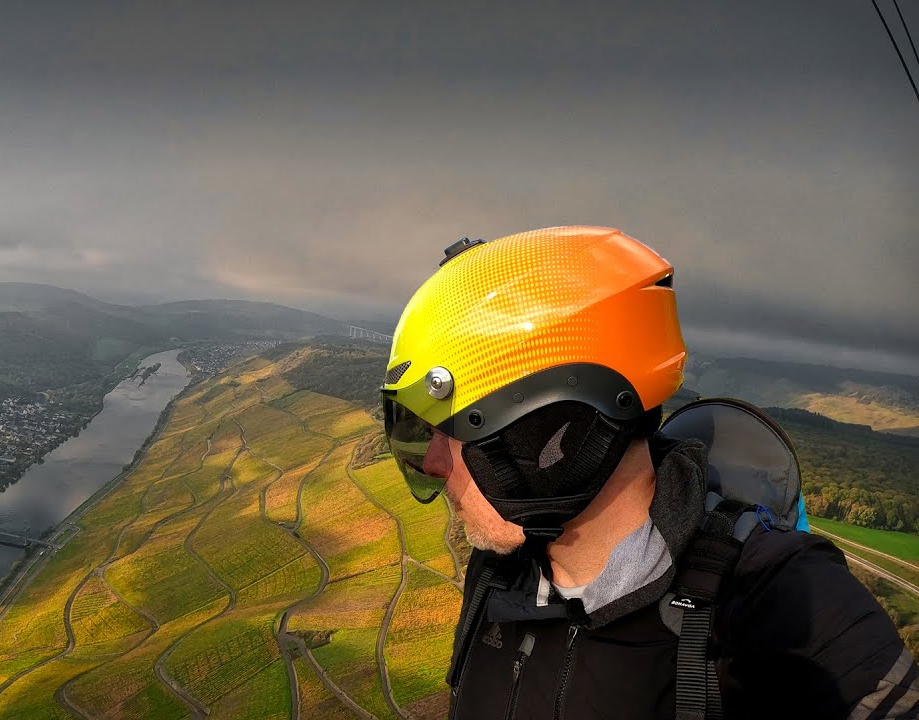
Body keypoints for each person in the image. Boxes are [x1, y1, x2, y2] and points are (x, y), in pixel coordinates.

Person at [381, 226, 916, 719]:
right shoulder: (496, 576)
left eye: (450, 431)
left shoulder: (786, 600)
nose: (432, 462)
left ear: (547, 431)